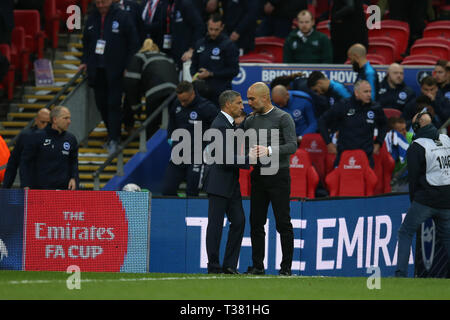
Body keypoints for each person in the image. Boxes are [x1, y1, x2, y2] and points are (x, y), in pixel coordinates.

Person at [243, 82, 297, 276]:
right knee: (256, 222)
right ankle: (258, 266)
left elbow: (292, 146)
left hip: (278, 175)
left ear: (265, 98)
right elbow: (245, 145)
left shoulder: (283, 117)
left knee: (283, 222)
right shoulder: (250, 121)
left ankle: (286, 269)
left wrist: (270, 150)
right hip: (258, 175)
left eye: (252, 99)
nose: (248, 102)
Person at [79, 0, 140, 155]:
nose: (100, 5)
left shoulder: (123, 16)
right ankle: (112, 134)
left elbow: (133, 43)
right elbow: (86, 43)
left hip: (116, 70)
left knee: (114, 104)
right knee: (101, 104)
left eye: (103, 2)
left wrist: (128, 66)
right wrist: (84, 61)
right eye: (98, 2)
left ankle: (114, 138)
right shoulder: (92, 17)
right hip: (96, 70)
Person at [394, 110, 450, 277]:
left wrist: (414, 201)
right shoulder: (447, 139)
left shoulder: (417, 147)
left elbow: (413, 179)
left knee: (405, 232)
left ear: (417, 127)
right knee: (448, 238)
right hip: (447, 199)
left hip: (426, 199)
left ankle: (400, 274)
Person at [203, 90, 249, 274]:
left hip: (230, 183)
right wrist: (249, 159)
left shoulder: (226, 124)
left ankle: (229, 265)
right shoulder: (219, 126)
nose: (242, 106)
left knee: (238, 221)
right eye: (238, 103)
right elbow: (224, 159)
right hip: (219, 182)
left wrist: (247, 122)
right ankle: (213, 266)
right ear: (228, 105)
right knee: (215, 225)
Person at [162, 81, 218, 196]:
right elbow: (172, 123)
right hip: (178, 154)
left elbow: (218, 127)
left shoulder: (207, 107)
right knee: (167, 190)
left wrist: (210, 146)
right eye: (180, 100)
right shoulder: (176, 104)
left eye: (185, 100)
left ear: (192, 93)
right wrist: (170, 137)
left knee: (192, 191)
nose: (182, 103)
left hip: (197, 155)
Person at [318, 80, 388, 168]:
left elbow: (384, 124)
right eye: (365, 92)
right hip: (344, 156)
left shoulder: (375, 108)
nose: (369, 95)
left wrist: (379, 142)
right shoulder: (343, 105)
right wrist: (328, 143)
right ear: (356, 93)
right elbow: (322, 121)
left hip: (366, 157)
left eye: (370, 91)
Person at [123, 38, 178, 138]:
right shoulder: (166, 57)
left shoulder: (140, 56)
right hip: (174, 94)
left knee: (152, 128)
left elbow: (131, 83)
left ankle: (149, 148)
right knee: (171, 126)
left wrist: (136, 107)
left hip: (155, 93)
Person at [20, 106, 79, 190]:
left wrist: (73, 178)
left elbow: (73, 162)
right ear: (55, 120)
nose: (69, 121)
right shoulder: (37, 137)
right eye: (65, 118)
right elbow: (25, 162)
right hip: (40, 190)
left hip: (62, 190)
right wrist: (25, 184)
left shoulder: (71, 139)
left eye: (69, 118)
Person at [190, 13, 240, 106]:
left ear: (222, 27)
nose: (213, 32)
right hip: (200, 93)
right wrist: (195, 76)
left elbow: (234, 70)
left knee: (218, 120)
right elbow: (193, 65)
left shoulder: (229, 46)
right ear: (207, 26)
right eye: (211, 29)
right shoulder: (200, 43)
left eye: (216, 29)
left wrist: (211, 74)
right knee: (198, 120)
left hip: (220, 96)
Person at [141, 0, 205, 69]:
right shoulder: (168, 5)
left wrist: (192, 49)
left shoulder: (185, 4)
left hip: (185, 53)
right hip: (171, 51)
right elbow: (161, 26)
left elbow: (199, 27)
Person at [2, 108, 51, 188]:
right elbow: (13, 163)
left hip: (49, 187)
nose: (45, 125)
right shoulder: (26, 136)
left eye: (48, 123)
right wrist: (6, 187)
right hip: (29, 186)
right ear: (36, 120)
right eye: (43, 122)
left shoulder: (55, 137)